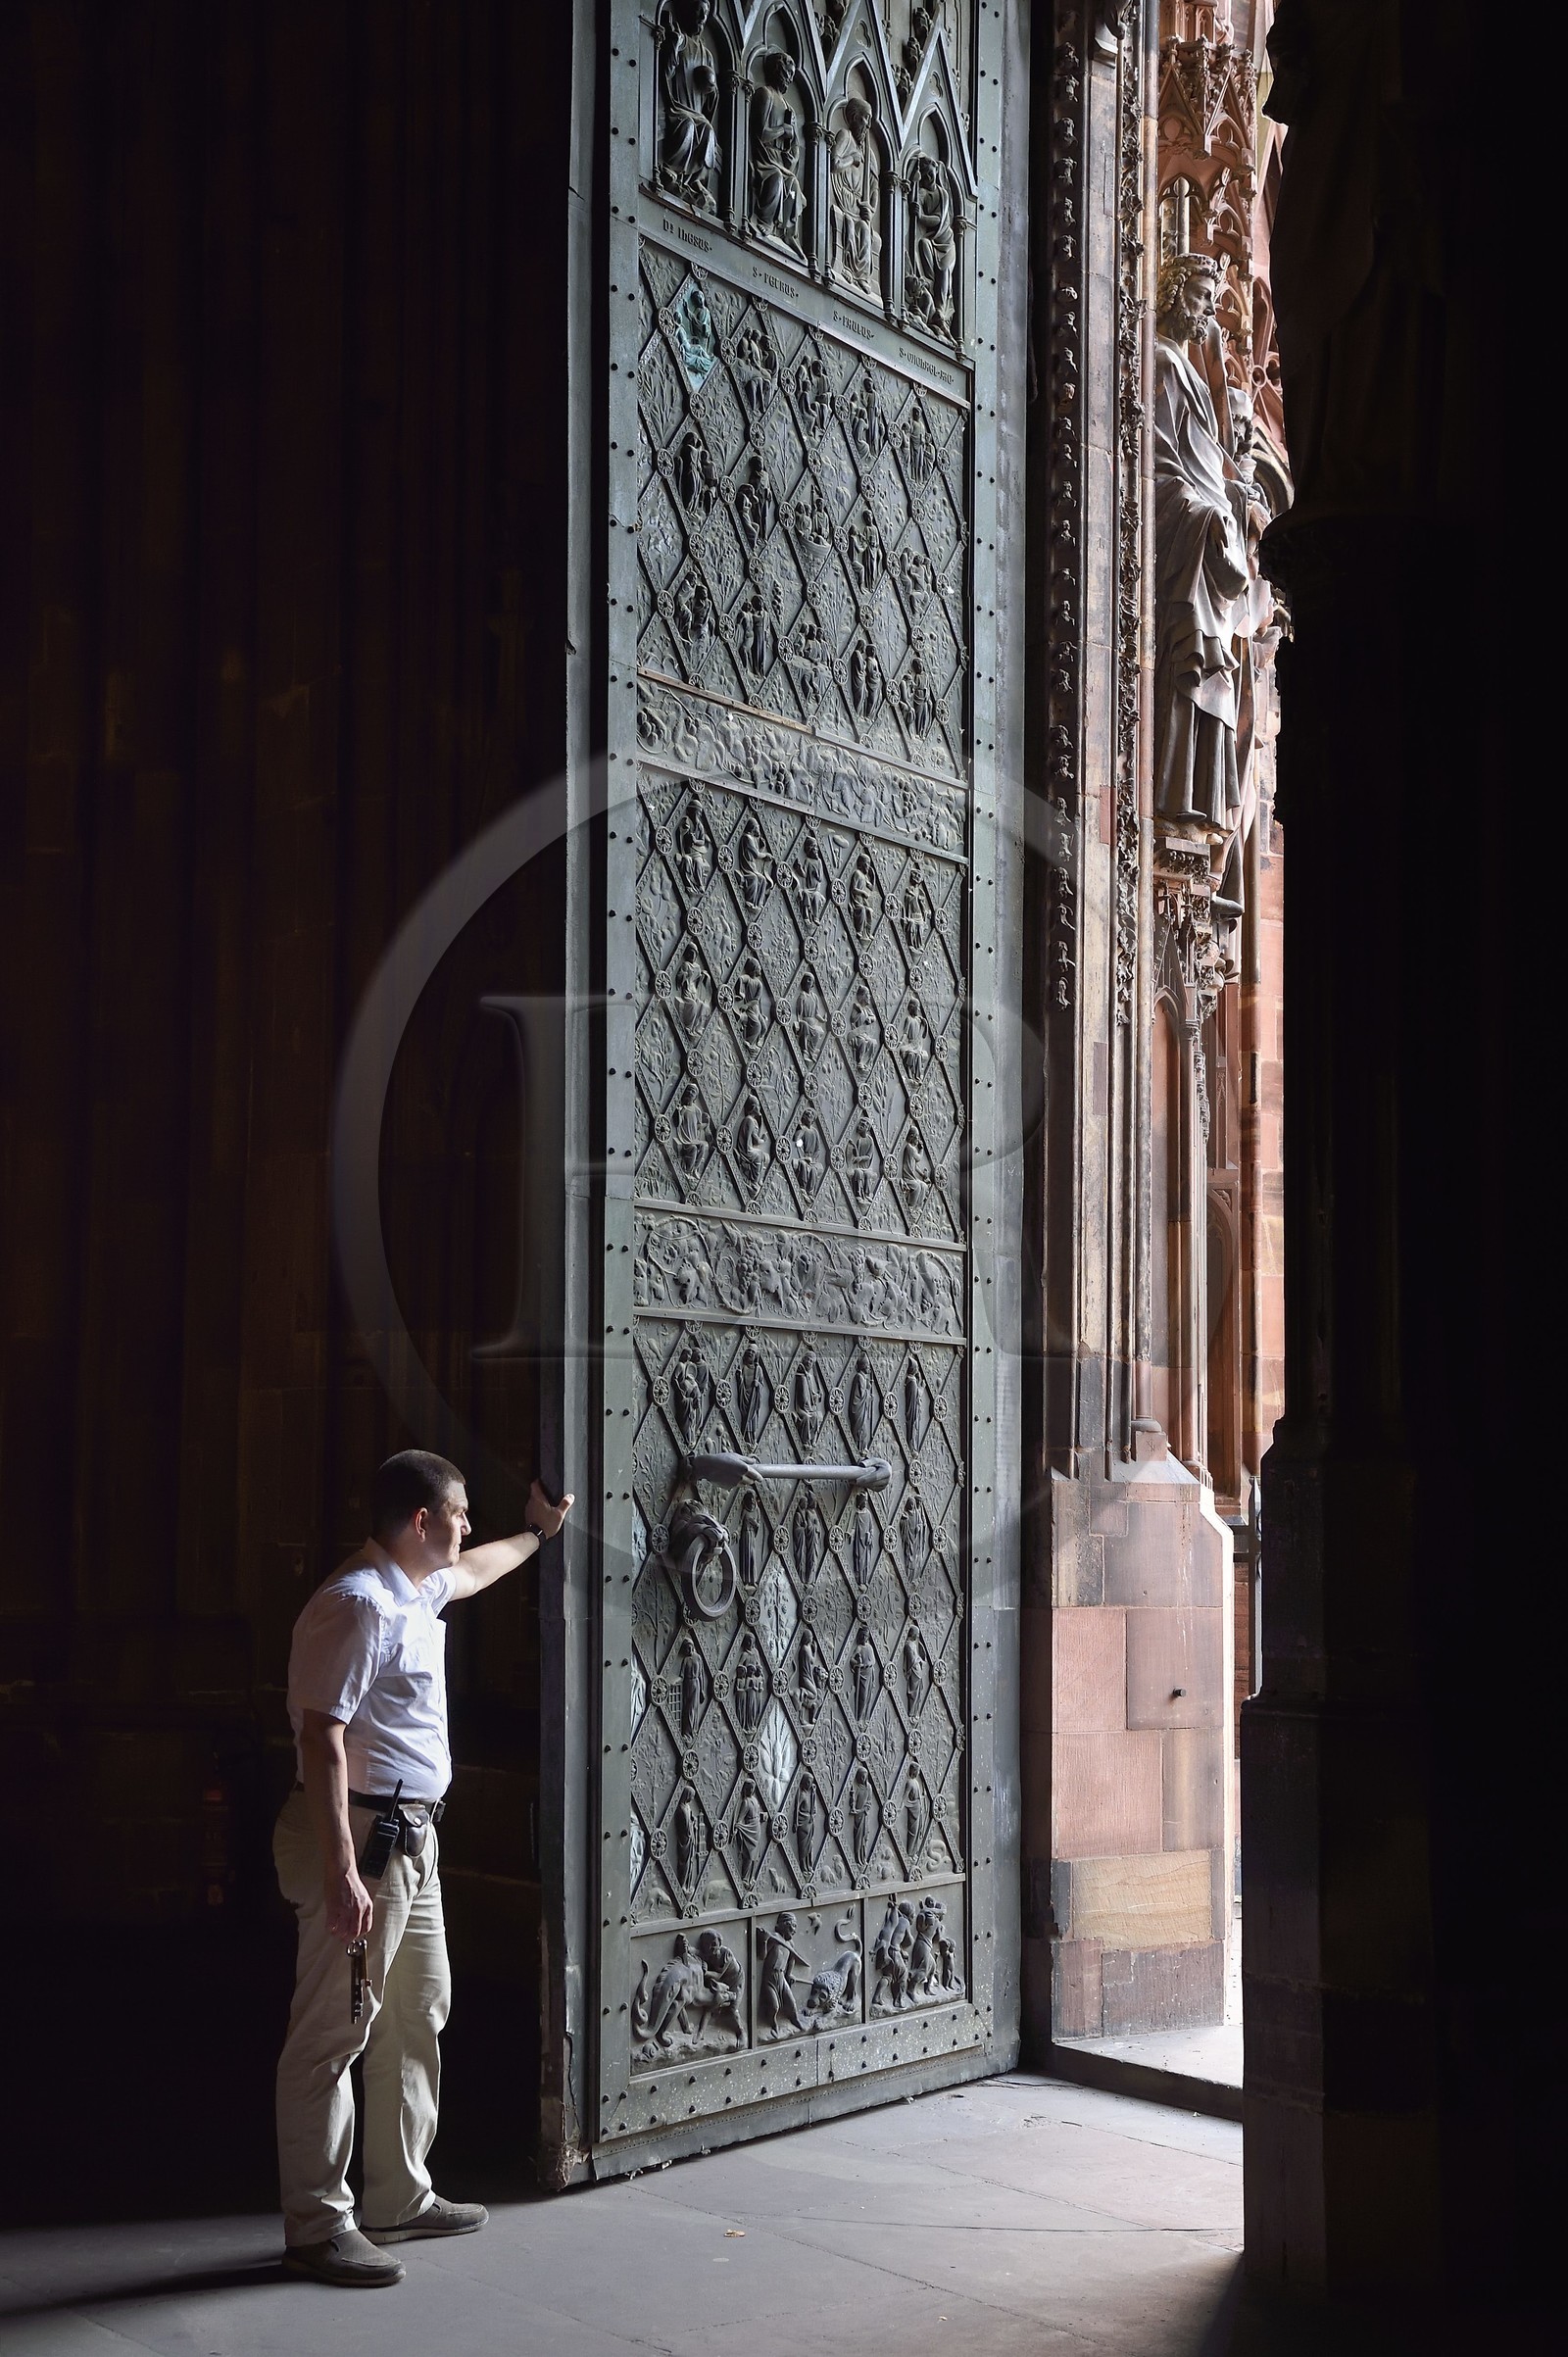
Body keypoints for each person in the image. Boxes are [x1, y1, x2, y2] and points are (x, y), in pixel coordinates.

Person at [273, 1449, 573, 2288]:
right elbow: (322, 1737)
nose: (467, 1525)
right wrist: (341, 1869)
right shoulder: (356, 1604)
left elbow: (477, 1568)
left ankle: (398, 2195)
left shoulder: (415, 1587)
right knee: (333, 2031)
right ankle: (316, 2223)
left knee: (417, 2008)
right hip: (362, 1842)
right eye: (460, 1511)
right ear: (419, 1520)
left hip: (410, 1838)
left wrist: (536, 1533)